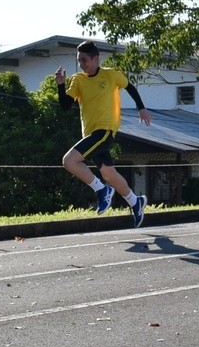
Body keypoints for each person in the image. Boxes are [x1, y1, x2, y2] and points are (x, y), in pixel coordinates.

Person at [56, 41, 152, 227]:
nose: (82, 65)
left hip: (105, 130)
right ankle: (135, 202)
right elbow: (65, 106)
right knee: (109, 174)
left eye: (85, 60)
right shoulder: (78, 80)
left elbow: (130, 87)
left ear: (95, 59)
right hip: (90, 134)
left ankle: (101, 191)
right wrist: (60, 85)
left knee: (69, 161)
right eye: (79, 61)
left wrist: (141, 108)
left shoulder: (111, 74)